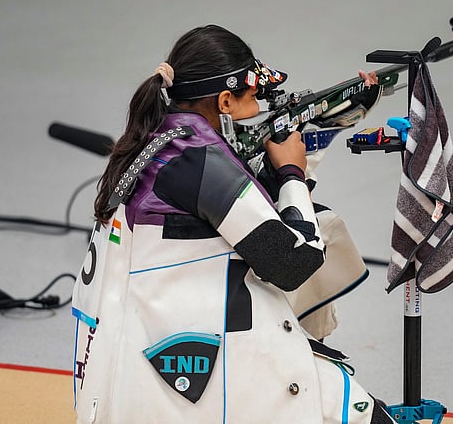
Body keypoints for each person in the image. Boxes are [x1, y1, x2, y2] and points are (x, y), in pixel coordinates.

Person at [70, 24, 393, 423]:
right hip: (207, 370)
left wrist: (340, 118)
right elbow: (293, 262)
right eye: (255, 97)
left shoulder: (154, 141)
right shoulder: (202, 163)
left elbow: (250, 196)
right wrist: (293, 172)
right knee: (361, 412)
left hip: (134, 369)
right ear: (225, 100)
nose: (260, 108)